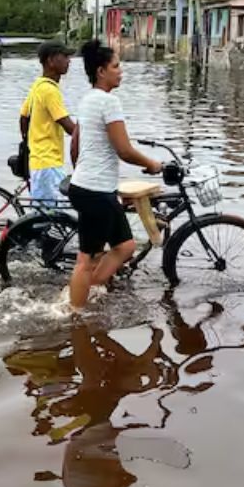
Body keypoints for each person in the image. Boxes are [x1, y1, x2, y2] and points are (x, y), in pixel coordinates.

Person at [67, 40, 162, 311]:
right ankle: (75, 315)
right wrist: (152, 164)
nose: (121, 71)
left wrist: (80, 172)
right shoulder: (109, 102)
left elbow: (75, 143)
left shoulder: (88, 100)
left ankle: (87, 293)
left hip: (90, 186)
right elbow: (124, 150)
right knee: (86, 260)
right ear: (101, 71)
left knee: (126, 246)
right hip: (95, 190)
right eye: (116, 66)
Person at [20, 41, 76, 205]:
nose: (69, 61)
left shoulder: (38, 85)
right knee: (58, 217)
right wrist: (95, 135)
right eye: (65, 57)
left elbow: (23, 117)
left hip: (38, 160)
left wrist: (29, 142)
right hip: (48, 164)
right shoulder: (50, 91)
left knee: (46, 217)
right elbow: (68, 127)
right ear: (51, 61)